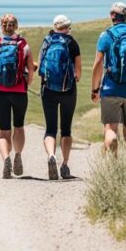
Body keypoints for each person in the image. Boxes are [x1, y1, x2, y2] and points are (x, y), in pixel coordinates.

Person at [90, 2, 126, 154]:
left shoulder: (106, 35)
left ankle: (113, 151)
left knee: (110, 128)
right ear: (125, 15)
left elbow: (98, 64)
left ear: (112, 15)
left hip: (110, 89)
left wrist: (95, 89)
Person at [37, 14, 82, 180]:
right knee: (66, 129)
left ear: (54, 27)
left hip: (48, 90)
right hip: (68, 91)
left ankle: (51, 156)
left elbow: (41, 67)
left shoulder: (47, 42)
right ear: (67, 28)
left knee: (50, 129)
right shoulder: (72, 43)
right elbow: (78, 72)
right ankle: (64, 164)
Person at [0, 13, 35, 179]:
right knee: (18, 126)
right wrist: (26, 84)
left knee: (3, 130)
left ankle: (6, 160)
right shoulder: (23, 44)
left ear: (2, 26)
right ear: (15, 26)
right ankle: (17, 156)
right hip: (19, 92)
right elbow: (31, 71)